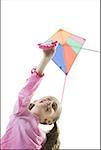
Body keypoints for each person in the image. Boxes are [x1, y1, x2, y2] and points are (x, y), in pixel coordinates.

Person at [1, 41, 62, 150]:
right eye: (48, 99)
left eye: (54, 107)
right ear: (34, 102)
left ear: (49, 121)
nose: (50, 103)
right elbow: (27, 90)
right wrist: (46, 59)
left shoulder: (43, 137)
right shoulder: (20, 112)